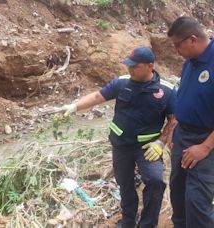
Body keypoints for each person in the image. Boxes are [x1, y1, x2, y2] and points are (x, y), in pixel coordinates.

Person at [59, 47, 177, 228]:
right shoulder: (122, 83)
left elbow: (173, 120)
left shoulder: (167, 91)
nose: (129, 70)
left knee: (155, 181)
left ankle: (147, 224)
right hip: (121, 146)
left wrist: (161, 142)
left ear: (150, 66)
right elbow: (98, 96)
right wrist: (75, 106)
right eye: (128, 66)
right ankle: (128, 221)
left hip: (148, 147)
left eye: (134, 66)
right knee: (125, 184)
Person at [167, 16, 214, 228]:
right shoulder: (190, 62)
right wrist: (174, 126)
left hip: (205, 139)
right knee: (177, 191)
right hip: (183, 134)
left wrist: (205, 147)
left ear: (192, 39)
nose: (176, 50)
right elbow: (184, 96)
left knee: (197, 200)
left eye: (177, 45)